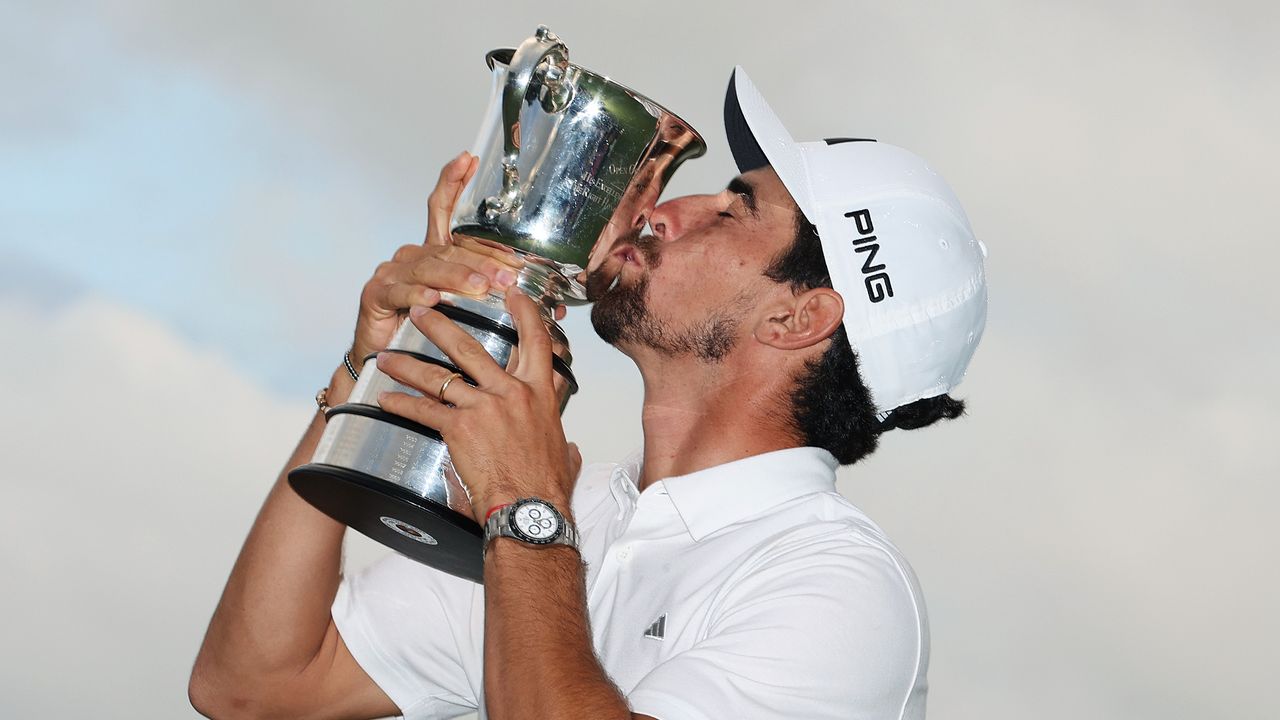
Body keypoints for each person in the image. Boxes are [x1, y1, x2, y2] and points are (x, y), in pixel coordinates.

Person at [189, 67, 988, 720]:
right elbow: (255, 686)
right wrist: (371, 371)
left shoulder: (838, 585)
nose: (668, 212)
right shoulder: (577, 513)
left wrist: (523, 506)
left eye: (732, 209)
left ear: (797, 317)